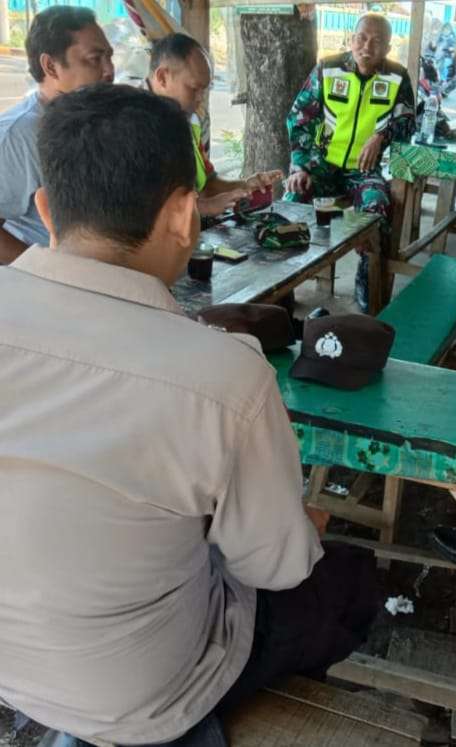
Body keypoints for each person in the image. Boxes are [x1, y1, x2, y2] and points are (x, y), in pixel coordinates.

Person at [0, 83, 377, 747]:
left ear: (46, 208)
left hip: (11, 671)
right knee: (347, 579)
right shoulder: (225, 376)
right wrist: (298, 528)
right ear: (182, 215)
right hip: (145, 698)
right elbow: (275, 568)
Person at [285, 13, 415, 312]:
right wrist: (300, 165)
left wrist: (382, 135)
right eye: (361, 38)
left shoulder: (397, 77)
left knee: (376, 208)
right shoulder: (328, 68)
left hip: (364, 171)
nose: (367, 46)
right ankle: (284, 285)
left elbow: (408, 122)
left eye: (377, 41)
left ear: (388, 48)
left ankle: (366, 280)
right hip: (322, 164)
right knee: (291, 200)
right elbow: (299, 117)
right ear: (351, 39)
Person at [0, 6, 114, 263]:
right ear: (51, 66)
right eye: (94, 59)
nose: (109, 70)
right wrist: (48, 270)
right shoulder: (18, 136)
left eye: (109, 56)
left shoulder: (93, 121)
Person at [147, 33, 282, 220]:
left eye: (204, 89)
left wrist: (245, 186)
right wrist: (206, 207)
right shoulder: (131, 126)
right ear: (162, 77)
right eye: (193, 88)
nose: (200, 98)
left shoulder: (188, 121)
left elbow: (207, 184)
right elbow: (143, 208)